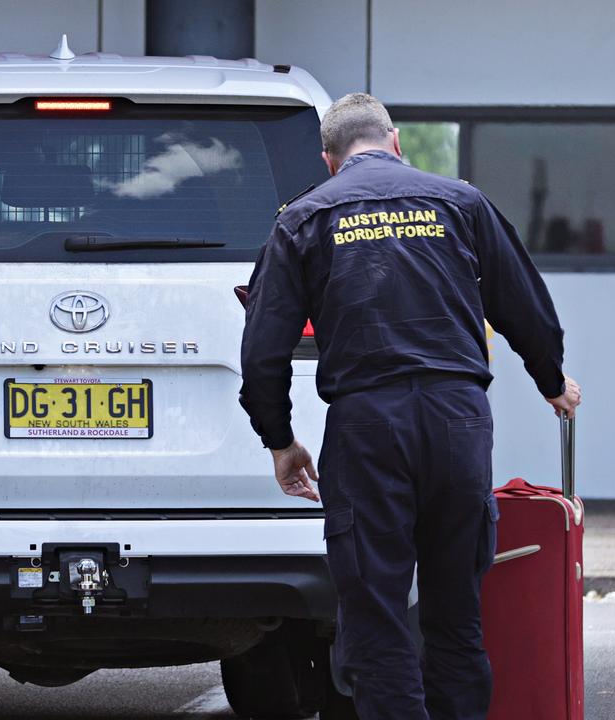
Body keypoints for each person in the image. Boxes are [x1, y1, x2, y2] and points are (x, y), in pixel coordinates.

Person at [239, 93, 582, 720]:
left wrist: (281, 440)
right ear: (395, 142)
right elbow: (522, 304)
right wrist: (551, 379)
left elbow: (263, 351)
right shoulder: (461, 203)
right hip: (458, 422)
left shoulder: (303, 219)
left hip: (368, 428)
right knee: (455, 612)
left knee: (376, 615)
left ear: (329, 159)